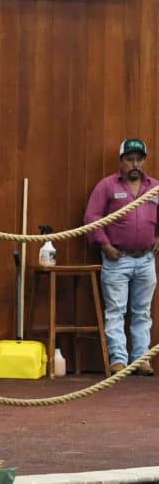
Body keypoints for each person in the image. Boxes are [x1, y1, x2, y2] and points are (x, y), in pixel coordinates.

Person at [84, 139, 159, 376]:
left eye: (139, 159)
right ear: (121, 161)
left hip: (146, 259)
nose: (135, 164)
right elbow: (91, 217)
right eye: (130, 159)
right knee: (116, 310)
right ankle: (118, 360)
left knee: (142, 311)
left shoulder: (155, 188)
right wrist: (105, 246)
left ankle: (141, 359)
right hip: (117, 259)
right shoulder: (107, 186)